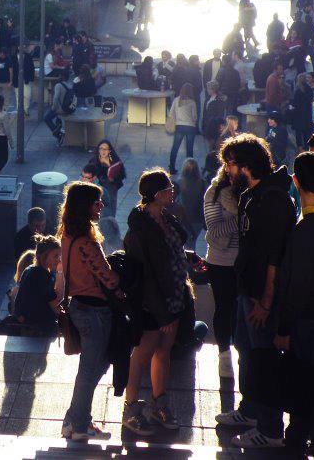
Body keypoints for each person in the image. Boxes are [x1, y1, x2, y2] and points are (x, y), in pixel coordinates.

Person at [215, 134, 296, 450]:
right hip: (247, 290)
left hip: (262, 296)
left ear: (244, 165)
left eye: (230, 164)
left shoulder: (272, 199)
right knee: (247, 352)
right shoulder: (253, 194)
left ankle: (271, 428)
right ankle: (250, 411)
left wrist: (265, 301)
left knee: (263, 361)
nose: (227, 170)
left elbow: (274, 256)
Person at [272, 152, 314, 453]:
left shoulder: (305, 228)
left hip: (303, 316)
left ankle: (302, 435)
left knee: (305, 377)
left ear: (295, 181)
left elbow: (296, 285)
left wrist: (283, 327)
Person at [122, 169, 191, 435]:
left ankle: (159, 404)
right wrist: (161, 313)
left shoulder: (165, 219)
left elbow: (170, 252)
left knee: (164, 351)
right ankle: (131, 409)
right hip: (153, 303)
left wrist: (188, 260)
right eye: (167, 189)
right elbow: (147, 274)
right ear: (156, 194)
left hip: (174, 296)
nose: (172, 191)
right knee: (142, 354)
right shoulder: (141, 230)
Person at [59, 180, 120, 441]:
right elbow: (109, 279)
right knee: (92, 367)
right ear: (85, 206)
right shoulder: (85, 242)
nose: (101, 206)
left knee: (93, 366)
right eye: (97, 202)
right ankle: (80, 426)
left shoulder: (68, 236)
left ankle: (74, 419)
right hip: (93, 310)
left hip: (79, 307)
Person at [204, 166, 241, 379]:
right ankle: (224, 355)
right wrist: (241, 217)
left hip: (245, 261)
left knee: (241, 309)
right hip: (221, 260)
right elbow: (214, 230)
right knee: (224, 308)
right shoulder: (215, 192)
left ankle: (240, 352)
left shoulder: (251, 192)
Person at [13, 235, 61, 335]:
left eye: (59, 256)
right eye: (55, 256)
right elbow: (55, 307)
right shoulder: (43, 276)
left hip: (26, 322)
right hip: (40, 326)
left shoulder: (29, 270)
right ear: (44, 256)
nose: (59, 260)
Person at [88, 139, 126, 219]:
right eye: (101, 148)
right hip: (98, 187)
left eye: (105, 149)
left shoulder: (115, 160)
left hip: (111, 188)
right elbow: (89, 173)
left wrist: (109, 165)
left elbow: (122, 175)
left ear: (109, 151)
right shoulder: (94, 160)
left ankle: (110, 221)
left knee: (110, 207)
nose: (102, 151)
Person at [168, 82, 198, 175]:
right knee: (189, 149)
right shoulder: (192, 102)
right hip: (190, 127)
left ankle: (172, 168)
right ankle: (190, 170)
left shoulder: (177, 100)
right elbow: (195, 117)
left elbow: (171, 113)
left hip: (179, 126)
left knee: (175, 147)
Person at [178, 158, 206, 246]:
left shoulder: (179, 182)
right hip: (198, 219)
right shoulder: (202, 183)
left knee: (183, 244)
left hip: (183, 219)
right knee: (191, 244)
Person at [289, 73, 314, 150]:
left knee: (298, 133)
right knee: (306, 134)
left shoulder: (298, 91)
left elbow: (295, 103)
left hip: (299, 115)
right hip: (307, 115)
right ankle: (306, 147)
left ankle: (300, 149)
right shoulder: (309, 89)